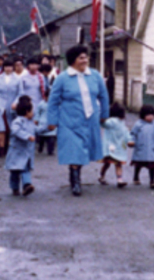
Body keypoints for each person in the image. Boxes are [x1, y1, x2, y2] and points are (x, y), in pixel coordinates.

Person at [47, 44, 110, 196]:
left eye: (86, 57)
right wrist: (52, 120)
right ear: (73, 60)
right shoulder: (62, 78)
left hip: (90, 120)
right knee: (74, 150)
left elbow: (103, 96)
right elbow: (53, 101)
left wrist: (104, 114)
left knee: (84, 150)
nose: (85, 60)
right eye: (81, 57)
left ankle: (74, 173)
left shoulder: (95, 75)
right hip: (69, 121)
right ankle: (76, 182)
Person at [130, 104, 154, 189]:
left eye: (152, 115)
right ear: (143, 115)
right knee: (138, 164)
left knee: (152, 166)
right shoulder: (138, 124)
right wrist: (131, 141)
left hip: (151, 149)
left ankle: (152, 181)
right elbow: (133, 134)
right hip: (140, 148)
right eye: (148, 115)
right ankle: (136, 177)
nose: (150, 117)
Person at [0, 59, 21, 157]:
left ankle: (9, 148)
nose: (8, 68)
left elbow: (21, 93)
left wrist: (16, 102)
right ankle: (1, 150)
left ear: (13, 68)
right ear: (3, 68)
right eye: (6, 66)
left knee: (11, 128)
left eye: (10, 66)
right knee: (0, 128)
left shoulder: (18, 79)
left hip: (12, 107)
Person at [5, 96, 37, 196]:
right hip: (16, 151)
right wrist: (27, 136)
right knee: (15, 172)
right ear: (27, 112)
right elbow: (15, 131)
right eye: (31, 111)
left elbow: (37, 130)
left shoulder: (31, 123)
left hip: (26, 152)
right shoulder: (17, 121)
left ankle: (27, 185)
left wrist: (48, 128)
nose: (33, 113)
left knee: (25, 169)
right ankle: (14, 188)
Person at [99, 102, 134, 188]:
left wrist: (102, 119)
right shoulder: (121, 123)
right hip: (117, 148)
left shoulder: (111, 121)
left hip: (110, 148)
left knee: (107, 164)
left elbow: (104, 124)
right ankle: (119, 179)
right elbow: (126, 133)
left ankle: (102, 176)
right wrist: (130, 140)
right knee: (118, 164)